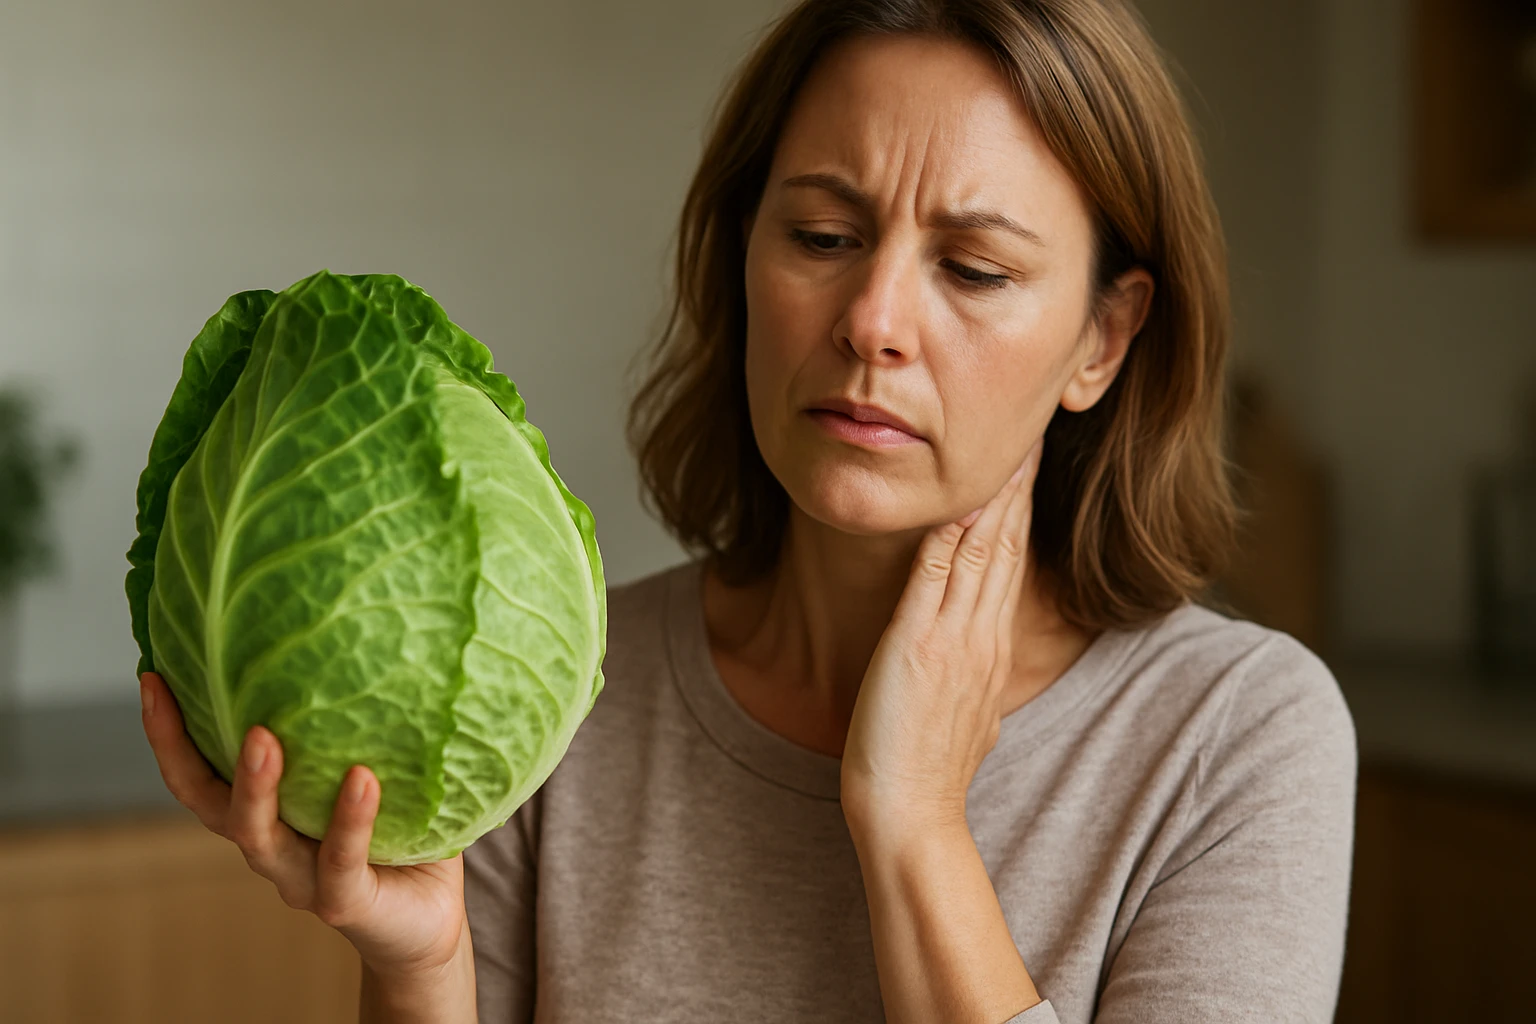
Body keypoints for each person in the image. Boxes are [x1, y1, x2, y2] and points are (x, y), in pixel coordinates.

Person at [138, 1, 1358, 1021]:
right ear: (742, 252)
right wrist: (419, 964)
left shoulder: (1238, 737)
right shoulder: (554, 713)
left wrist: (916, 824)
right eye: (823, 234)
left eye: (974, 269)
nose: (873, 319)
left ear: (1103, 336)